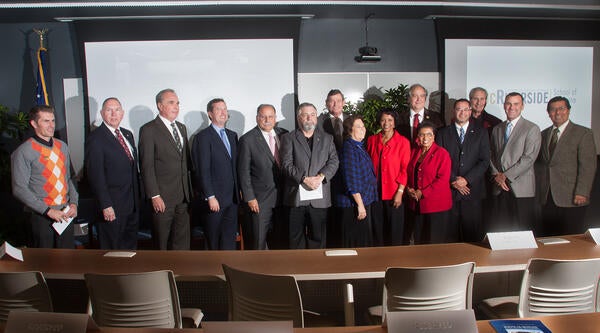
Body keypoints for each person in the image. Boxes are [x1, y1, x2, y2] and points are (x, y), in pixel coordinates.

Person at [11, 105, 78, 248]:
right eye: (46, 121)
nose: (51, 125)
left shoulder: (62, 146)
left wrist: (74, 203)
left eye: (53, 121)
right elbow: (19, 189)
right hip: (41, 216)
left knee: (67, 259)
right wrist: (48, 211)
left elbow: (70, 177)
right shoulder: (24, 151)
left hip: (65, 214)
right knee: (45, 261)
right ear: (34, 124)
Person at [139, 89, 192, 250]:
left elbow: (185, 162)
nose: (176, 106)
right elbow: (146, 166)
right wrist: (154, 195)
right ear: (160, 105)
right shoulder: (149, 129)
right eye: (171, 102)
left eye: (177, 103)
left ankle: (181, 273)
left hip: (183, 197)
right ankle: (161, 274)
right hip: (162, 198)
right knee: (162, 243)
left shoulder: (181, 128)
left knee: (181, 243)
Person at [535, 96, 597, 236]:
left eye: (561, 108)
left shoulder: (583, 133)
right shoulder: (543, 134)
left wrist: (582, 192)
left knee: (572, 238)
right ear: (548, 113)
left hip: (572, 196)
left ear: (568, 110)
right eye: (553, 109)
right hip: (547, 196)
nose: (557, 112)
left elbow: (588, 166)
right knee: (549, 238)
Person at [280, 102, 339, 249]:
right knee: (295, 239)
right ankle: (298, 270)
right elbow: (286, 165)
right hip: (296, 198)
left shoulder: (327, 138)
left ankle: (317, 269)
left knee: (318, 239)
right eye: (305, 115)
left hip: (319, 197)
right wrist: (304, 179)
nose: (309, 118)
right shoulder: (288, 138)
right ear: (299, 117)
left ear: (316, 117)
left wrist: (321, 177)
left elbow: (334, 161)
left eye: (313, 115)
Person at [85, 97, 140, 249]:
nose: (113, 114)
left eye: (117, 110)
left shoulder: (127, 134)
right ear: (102, 113)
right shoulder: (96, 138)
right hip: (112, 207)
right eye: (109, 110)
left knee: (130, 250)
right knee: (112, 251)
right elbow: (96, 175)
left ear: (122, 113)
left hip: (131, 205)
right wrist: (106, 205)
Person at [436, 99, 490, 242]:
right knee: (449, 236)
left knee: (472, 235)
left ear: (470, 112)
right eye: (459, 109)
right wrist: (453, 180)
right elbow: (439, 161)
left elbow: (484, 161)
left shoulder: (481, 133)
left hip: (472, 192)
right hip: (450, 192)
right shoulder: (442, 133)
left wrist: (466, 180)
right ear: (454, 111)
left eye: (466, 109)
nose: (462, 112)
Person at [237, 104, 288, 250]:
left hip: (283, 198)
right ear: (257, 118)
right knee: (258, 240)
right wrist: (250, 197)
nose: (267, 120)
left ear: (275, 118)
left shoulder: (284, 134)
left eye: (270, 116)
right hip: (260, 200)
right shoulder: (247, 139)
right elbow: (243, 171)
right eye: (263, 116)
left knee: (280, 239)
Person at [489, 92, 541, 232]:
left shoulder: (532, 128)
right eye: (508, 103)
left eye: (516, 104)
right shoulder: (497, 129)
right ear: (504, 105)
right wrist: (496, 175)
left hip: (520, 187)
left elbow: (529, 158)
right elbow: (491, 155)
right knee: (501, 229)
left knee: (522, 229)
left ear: (522, 106)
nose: (512, 107)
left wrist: (505, 176)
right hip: (499, 187)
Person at [193, 98, 239, 250]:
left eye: (225, 109)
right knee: (212, 241)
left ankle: (228, 270)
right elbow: (202, 170)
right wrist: (210, 196)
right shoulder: (203, 137)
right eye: (218, 109)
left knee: (229, 240)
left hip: (232, 200)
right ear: (210, 114)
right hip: (214, 200)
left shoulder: (232, 136)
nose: (223, 112)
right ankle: (212, 271)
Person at [366, 109, 411, 246]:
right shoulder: (372, 140)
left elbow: (405, 169)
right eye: (383, 120)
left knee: (395, 231)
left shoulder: (403, 142)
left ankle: (395, 261)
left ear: (395, 123)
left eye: (390, 120)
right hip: (375, 193)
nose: (386, 123)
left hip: (394, 192)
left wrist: (400, 192)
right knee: (377, 230)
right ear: (379, 122)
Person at [405, 122, 452, 244]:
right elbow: (409, 172)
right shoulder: (414, 152)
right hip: (417, 205)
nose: (425, 138)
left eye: (428, 135)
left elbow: (442, 179)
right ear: (418, 137)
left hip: (436, 206)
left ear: (434, 137)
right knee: (419, 241)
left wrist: (422, 192)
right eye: (421, 135)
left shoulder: (442, 153)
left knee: (433, 243)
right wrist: (408, 189)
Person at [336, 115, 377, 247]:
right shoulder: (349, 149)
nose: (363, 129)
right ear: (349, 130)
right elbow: (351, 179)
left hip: (362, 202)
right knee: (356, 243)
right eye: (358, 127)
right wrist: (360, 204)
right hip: (353, 205)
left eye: (363, 126)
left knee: (363, 241)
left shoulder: (359, 146)